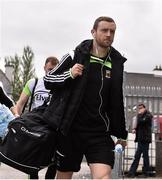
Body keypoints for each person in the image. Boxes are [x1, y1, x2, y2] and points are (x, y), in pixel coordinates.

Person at [43, 16, 127, 179]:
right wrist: (69, 74)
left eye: (112, 31)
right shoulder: (74, 55)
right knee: (63, 177)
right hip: (71, 130)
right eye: (104, 30)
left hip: (99, 133)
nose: (109, 34)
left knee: (104, 177)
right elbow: (48, 79)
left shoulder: (116, 62)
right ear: (93, 32)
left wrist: (121, 134)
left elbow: (117, 101)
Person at [13, 56, 59, 179]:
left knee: (54, 161)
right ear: (44, 68)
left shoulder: (61, 86)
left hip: (52, 128)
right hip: (34, 127)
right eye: (49, 69)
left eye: (55, 70)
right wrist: (17, 116)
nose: (52, 72)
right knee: (32, 163)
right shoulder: (34, 83)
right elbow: (20, 103)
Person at [127, 103, 153, 178]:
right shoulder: (140, 116)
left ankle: (146, 173)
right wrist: (135, 129)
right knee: (137, 156)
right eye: (139, 108)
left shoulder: (148, 115)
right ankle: (131, 173)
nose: (140, 110)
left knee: (145, 156)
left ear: (144, 108)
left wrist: (139, 116)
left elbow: (142, 121)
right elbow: (139, 124)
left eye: (141, 108)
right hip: (140, 139)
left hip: (145, 139)